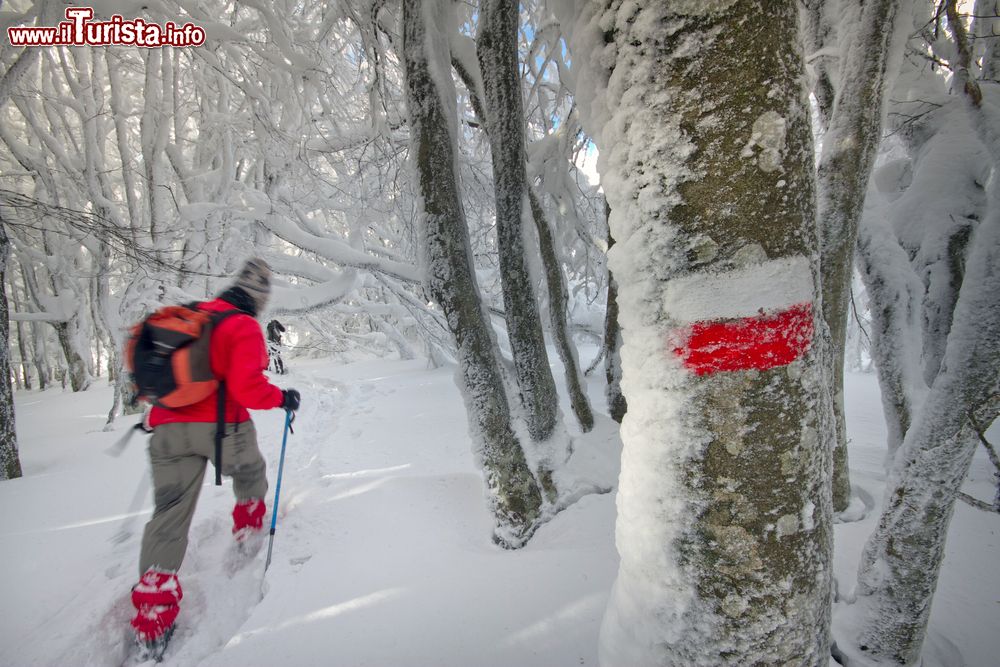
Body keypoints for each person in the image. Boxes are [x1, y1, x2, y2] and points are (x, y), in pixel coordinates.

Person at [129, 258, 301, 654]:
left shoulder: (193, 316)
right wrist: (282, 398)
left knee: (169, 513)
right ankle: (248, 526)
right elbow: (247, 388)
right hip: (223, 429)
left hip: (167, 431)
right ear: (258, 301)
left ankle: (153, 614)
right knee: (251, 473)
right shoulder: (242, 325)